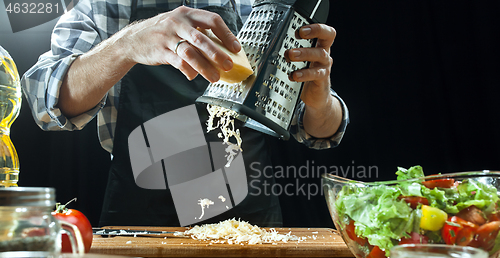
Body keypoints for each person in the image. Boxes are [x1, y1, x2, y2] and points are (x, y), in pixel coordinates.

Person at [21, 0, 349, 228]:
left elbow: (320, 131)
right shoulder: (108, 4)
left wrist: (319, 102)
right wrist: (127, 45)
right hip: (141, 213)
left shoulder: (260, 5)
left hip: (246, 218)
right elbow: (44, 98)